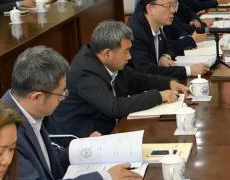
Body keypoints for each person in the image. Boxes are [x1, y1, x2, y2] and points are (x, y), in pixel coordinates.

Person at [4, 47, 142, 180]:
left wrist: (83, 148)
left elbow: (46, 161)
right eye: (61, 93)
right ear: (37, 97)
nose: (63, 98)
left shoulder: (27, 108)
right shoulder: (7, 131)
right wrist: (105, 179)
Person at [49, 21, 185, 137]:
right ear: (107, 53)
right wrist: (158, 96)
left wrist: (168, 83)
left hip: (107, 128)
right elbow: (114, 107)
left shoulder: (107, 61)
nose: (129, 56)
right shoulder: (85, 72)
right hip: (80, 138)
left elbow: (136, 79)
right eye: (126, 51)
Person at [128, 0, 209, 80]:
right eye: (168, 6)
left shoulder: (157, 25)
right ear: (150, 9)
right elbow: (147, 71)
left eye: (173, 5)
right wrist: (189, 70)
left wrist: (165, 56)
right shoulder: (136, 33)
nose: (172, 11)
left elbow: (167, 46)